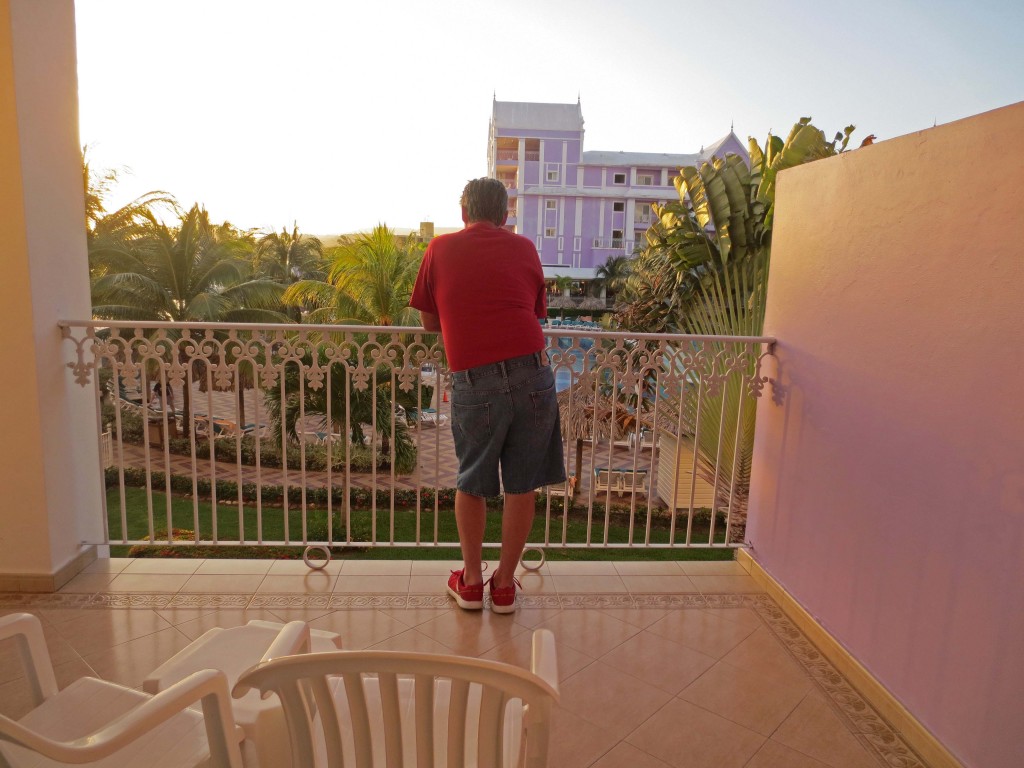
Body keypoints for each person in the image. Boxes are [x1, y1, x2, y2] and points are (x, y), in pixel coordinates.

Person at [410, 177, 566, 614]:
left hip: (475, 381)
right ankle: (503, 586)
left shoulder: (439, 249)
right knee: (522, 484)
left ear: (464, 213)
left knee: (473, 481)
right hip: (532, 374)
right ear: (504, 215)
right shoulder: (525, 248)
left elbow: (427, 323)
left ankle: (472, 581)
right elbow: (533, 312)